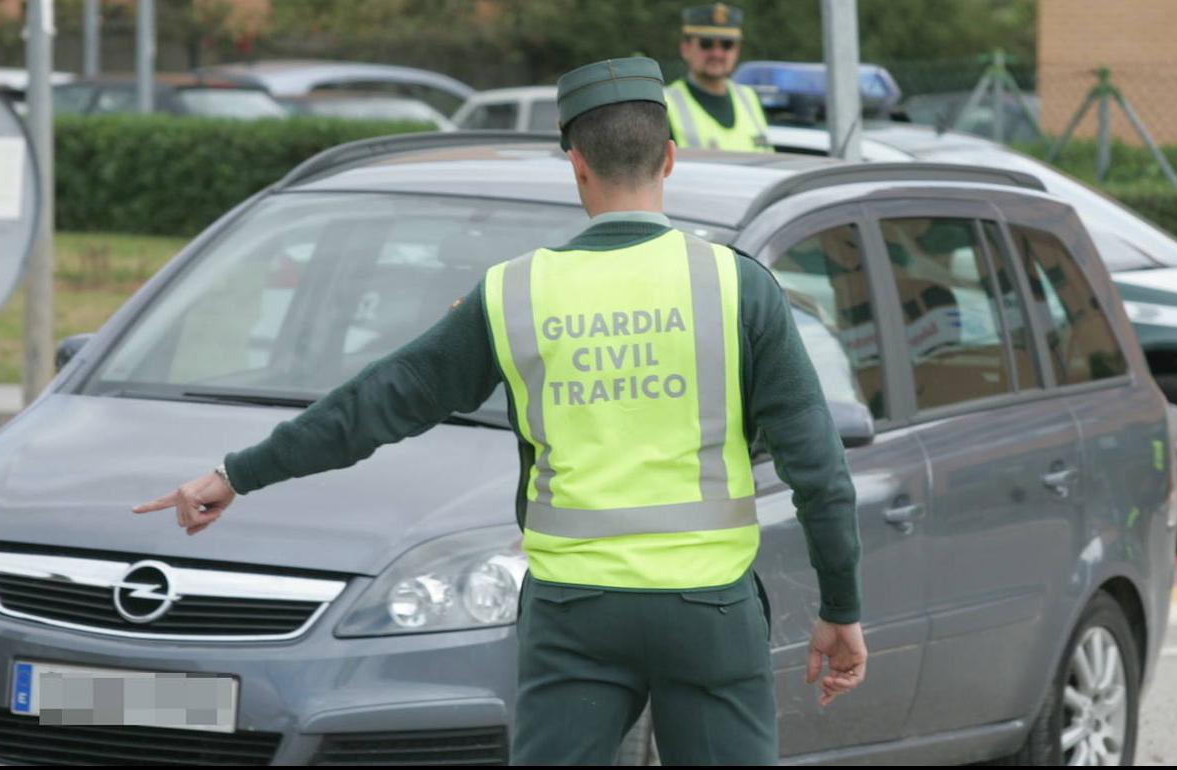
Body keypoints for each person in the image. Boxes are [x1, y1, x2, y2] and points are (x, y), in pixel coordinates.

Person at [133, 56, 865, 766]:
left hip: (576, 617)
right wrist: (840, 608)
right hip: (708, 612)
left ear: (575, 162)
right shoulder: (738, 288)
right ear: (670, 158)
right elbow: (820, 473)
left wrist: (237, 474)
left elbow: (379, 404)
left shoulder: (515, 294)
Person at [665, 2, 772, 152]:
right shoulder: (665, 104)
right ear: (685, 49)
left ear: (737, 50)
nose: (717, 53)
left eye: (727, 45)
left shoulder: (751, 99)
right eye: (706, 44)